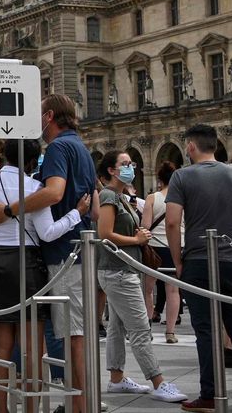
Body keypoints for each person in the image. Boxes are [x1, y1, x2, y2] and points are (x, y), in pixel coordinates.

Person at [0, 95, 97, 412]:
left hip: (65, 254)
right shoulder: (80, 146)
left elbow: (53, 192)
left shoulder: (58, 149)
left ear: (49, 116)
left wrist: (9, 210)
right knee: (73, 334)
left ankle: (82, 406)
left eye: (39, 115)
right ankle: (80, 403)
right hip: (77, 251)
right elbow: (94, 197)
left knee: (74, 337)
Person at [167, 123, 232, 413]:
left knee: (206, 330)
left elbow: (173, 222)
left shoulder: (181, 176)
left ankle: (209, 395)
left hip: (198, 259)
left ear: (190, 147)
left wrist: (177, 259)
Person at [94, 151, 188, 402]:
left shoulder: (121, 197)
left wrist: (138, 234)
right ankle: (158, 381)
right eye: (124, 164)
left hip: (123, 269)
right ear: (111, 171)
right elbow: (104, 233)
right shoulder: (108, 195)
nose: (130, 168)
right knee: (139, 328)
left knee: (116, 327)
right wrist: (136, 239)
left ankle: (116, 378)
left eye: (131, 164)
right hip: (118, 271)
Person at [141, 163, 181, 343]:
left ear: (160, 179)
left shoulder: (152, 198)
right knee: (173, 291)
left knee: (148, 289)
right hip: (175, 246)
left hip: (155, 248)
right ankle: (170, 332)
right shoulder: (182, 197)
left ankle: (147, 326)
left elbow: (146, 226)